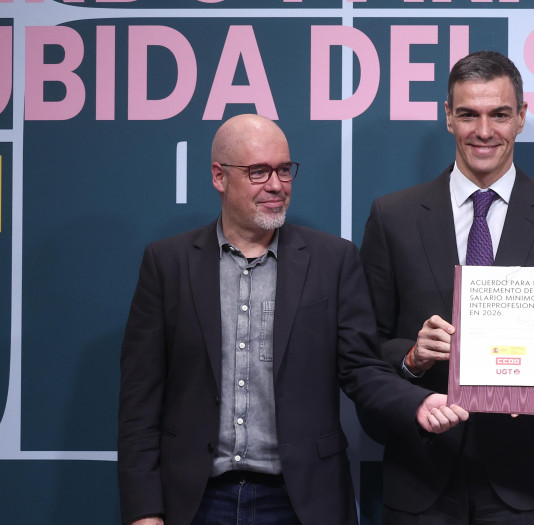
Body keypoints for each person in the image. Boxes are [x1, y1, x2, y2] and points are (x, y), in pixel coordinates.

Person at [116, 114, 464, 525]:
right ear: (219, 176)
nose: (277, 185)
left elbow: (361, 369)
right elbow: (140, 400)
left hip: (302, 500)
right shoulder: (167, 264)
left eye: (284, 170)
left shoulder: (333, 260)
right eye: (258, 172)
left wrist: (416, 402)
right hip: (196, 501)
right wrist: (144, 512)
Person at [358, 51, 534, 524]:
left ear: (522, 118)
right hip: (422, 476)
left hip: (528, 482)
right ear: (448, 117)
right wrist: (412, 357)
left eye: (499, 114)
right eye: (468, 114)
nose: (484, 131)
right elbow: (363, 351)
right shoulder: (394, 216)